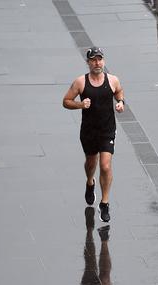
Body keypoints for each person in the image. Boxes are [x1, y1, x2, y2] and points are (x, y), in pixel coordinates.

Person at [63, 47, 125, 222]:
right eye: (93, 60)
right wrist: (80, 105)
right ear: (88, 62)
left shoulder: (112, 80)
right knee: (91, 164)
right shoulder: (80, 82)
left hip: (107, 130)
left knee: (105, 166)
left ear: (103, 61)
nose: (97, 63)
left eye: (100, 59)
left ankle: (105, 203)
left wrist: (120, 102)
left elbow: (119, 92)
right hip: (89, 131)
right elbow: (66, 101)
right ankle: (90, 182)